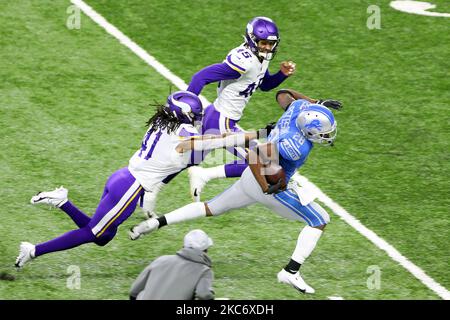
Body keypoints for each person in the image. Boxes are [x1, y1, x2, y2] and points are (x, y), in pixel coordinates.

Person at [15, 91, 262, 269]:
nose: (198, 119)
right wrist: (251, 135)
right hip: (131, 188)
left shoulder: (161, 122)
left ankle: (62, 201)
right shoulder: (182, 133)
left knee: (104, 236)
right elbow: (204, 142)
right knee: (95, 233)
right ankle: (34, 250)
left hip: (122, 177)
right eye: (195, 115)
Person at [129, 93, 339, 294]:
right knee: (320, 219)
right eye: (324, 132)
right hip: (267, 184)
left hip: (250, 178)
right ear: (309, 130)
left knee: (210, 207)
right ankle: (290, 272)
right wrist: (266, 187)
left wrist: (315, 102)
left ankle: (155, 224)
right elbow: (256, 153)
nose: (327, 135)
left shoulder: (299, 107)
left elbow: (284, 95)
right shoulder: (297, 146)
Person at [139, 16, 296, 212]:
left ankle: (151, 189)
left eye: (271, 44)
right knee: (260, 160)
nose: (267, 48)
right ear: (252, 40)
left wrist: (281, 74)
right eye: (263, 43)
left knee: (188, 159)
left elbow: (263, 85)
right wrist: (183, 112)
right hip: (222, 121)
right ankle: (201, 175)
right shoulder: (244, 61)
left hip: (217, 115)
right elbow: (201, 77)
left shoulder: (259, 58)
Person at [129, 229, 214, 300]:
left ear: (183, 246)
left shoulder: (161, 260)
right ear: (205, 250)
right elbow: (204, 295)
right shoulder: (204, 271)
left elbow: (134, 291)